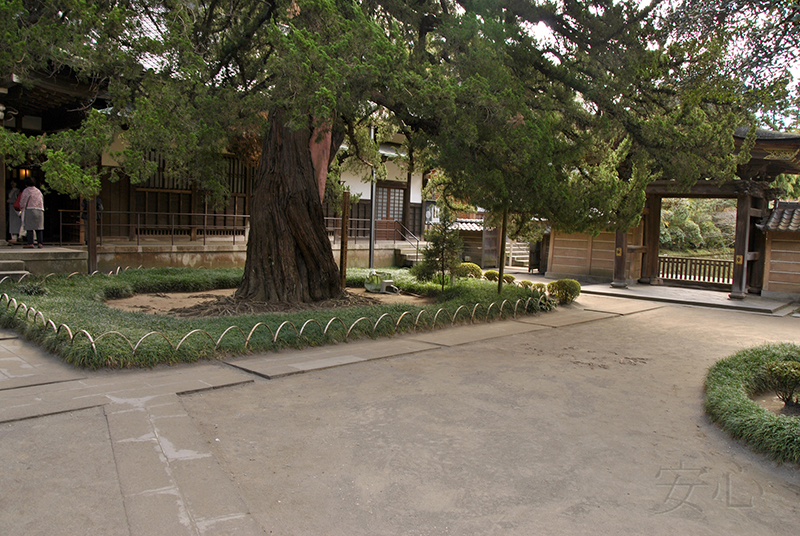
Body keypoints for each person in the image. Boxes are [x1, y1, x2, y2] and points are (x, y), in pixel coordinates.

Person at [17, 178, 44, 248]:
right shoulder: (38, 191)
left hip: (30, 209)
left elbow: (23, 201)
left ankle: (30, 243)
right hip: (40, 209)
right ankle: (40, 243)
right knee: (39, 227)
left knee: (29, 226)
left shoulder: (26, 191)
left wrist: (21, 207)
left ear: (26, 184)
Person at [7, 179, 22, 244]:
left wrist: (10, 201)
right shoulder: (9, 191)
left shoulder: (18, 191)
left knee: (16, 221)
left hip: (15, 207)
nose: (12, 183)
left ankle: (17, 236)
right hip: (11, 208)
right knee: (12, 221)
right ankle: (13, 236)